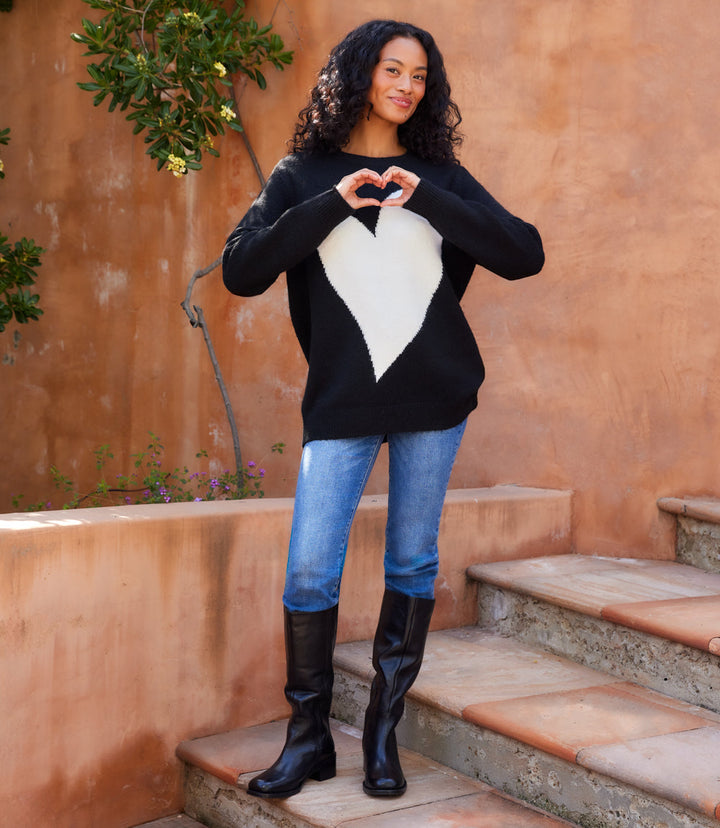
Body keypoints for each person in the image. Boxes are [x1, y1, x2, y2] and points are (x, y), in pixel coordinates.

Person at [222, 18, 544, 800]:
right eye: (392, 70)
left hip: (435, 398)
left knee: (411, 562)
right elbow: (241, 271)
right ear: (359, 73)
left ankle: (380, 740)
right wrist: (332, 203)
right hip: (340, 403)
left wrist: (427, 196)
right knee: (308, 570)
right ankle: (308, 742)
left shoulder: (439, 175)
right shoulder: (303, 175)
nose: (406, 86)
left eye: (420, 77)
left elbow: (522, 252)